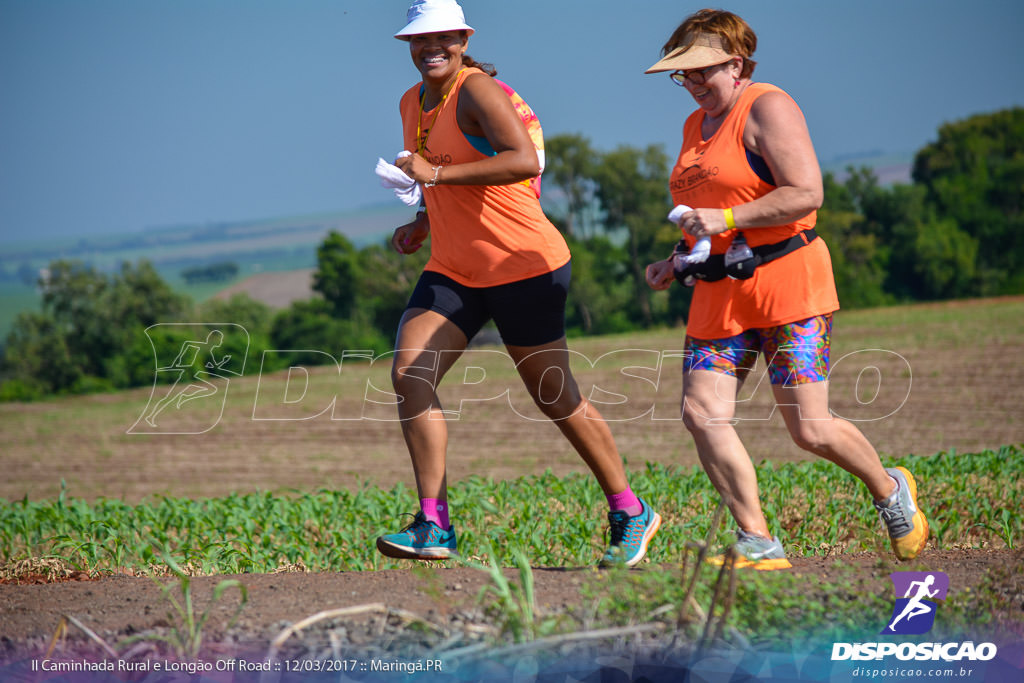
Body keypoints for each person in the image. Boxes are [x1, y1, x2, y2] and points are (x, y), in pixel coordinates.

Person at [375, 0, 660, 567]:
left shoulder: (477, 91)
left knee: (554, 396)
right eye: (418, 39)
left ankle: (631, 511)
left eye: (442, 38)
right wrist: (423, 220)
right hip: (454, 268)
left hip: (523, 266)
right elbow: (445, 176)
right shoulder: (412, 102)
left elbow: (523, 160)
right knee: (410, 375)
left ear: (463, 38)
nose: (430, 48)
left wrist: (437, 176)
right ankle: (433, 524)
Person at [643, 9, 928, 569]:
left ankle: (890, 489)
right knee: (701, 413)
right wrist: (676, 260)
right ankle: (758, 540)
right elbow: (707, 219)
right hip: (720, 290)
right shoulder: (691, 128)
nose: (694, 84)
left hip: (787, 282)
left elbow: (805, 193)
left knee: (810, 429)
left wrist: (723, 217)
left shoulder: (767, 106)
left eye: (703, 71)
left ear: (738, 64)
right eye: (685, 75)